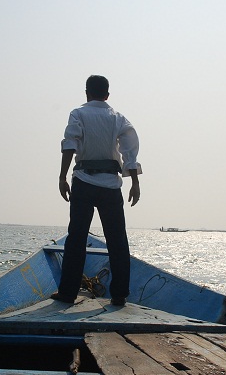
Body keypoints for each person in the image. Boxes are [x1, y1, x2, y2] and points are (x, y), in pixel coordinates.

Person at [52, 75, 142, 307]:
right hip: (111, 186)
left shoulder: (78, 114)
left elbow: (70, 144)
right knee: (117, 240)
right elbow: (130, 150)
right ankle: (119, 294)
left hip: (83, 181)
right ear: (107, 95)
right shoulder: (117, 118)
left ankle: (67, 293)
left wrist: (62, 177)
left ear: (86, 93)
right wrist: (135, 183)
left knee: (76, 239)